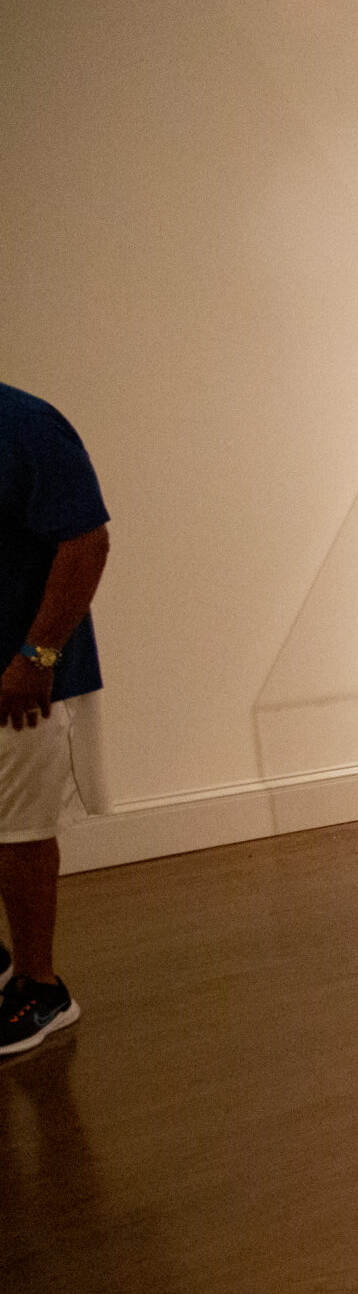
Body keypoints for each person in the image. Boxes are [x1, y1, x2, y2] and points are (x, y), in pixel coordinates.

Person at [0, 384, 111, 1058]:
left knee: (20, 831)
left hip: (23, 678)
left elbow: (87, 543)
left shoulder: (27, 424)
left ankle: (41, 988)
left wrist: (36, 655)